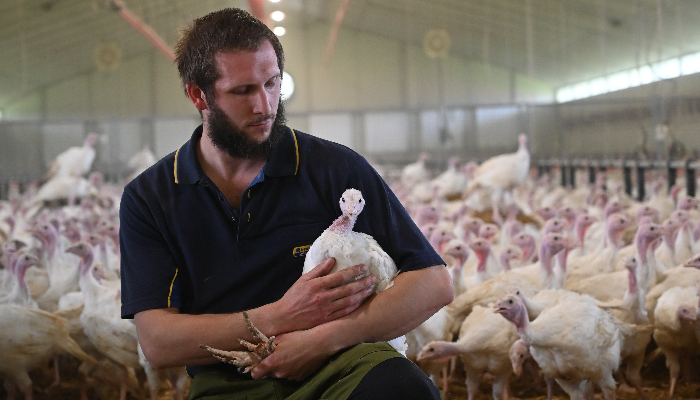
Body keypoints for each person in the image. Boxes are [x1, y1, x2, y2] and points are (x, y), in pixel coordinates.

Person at [120, 7, 453, 399]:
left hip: (343, 362)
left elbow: (433, 282)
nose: (264, 105)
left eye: (272, 83)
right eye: (243, 91)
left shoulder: (333, 168)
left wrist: (326, 339)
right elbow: (157, 342)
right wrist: (281, 316)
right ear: (198, 94)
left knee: (403, 389)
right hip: (231, 379)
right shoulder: (151, 197)